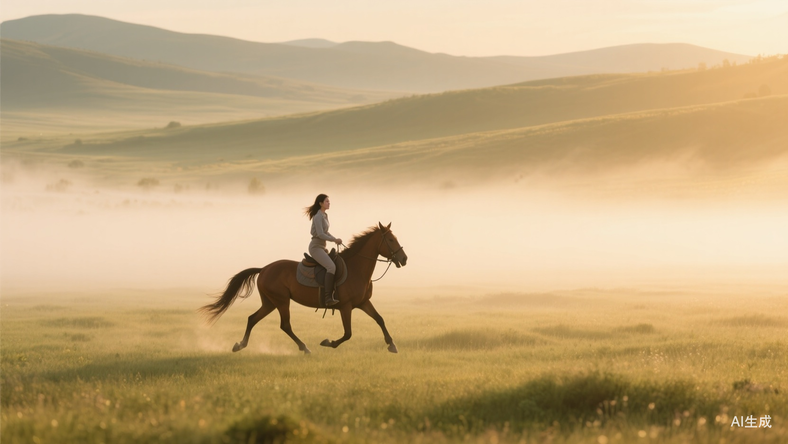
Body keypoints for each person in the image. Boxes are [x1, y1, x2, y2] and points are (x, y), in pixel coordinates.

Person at [304, 194, 343, 307]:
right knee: (331, 267)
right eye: (326, 201)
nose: (329, 203)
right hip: (316, 247)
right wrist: (334, 240)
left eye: (329, 201)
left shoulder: (325, 215)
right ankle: (328, 298)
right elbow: (320, 234)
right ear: (321, 203)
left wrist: (335, 239)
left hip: (322, 246)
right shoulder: (317, 216)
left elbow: (326, 232)